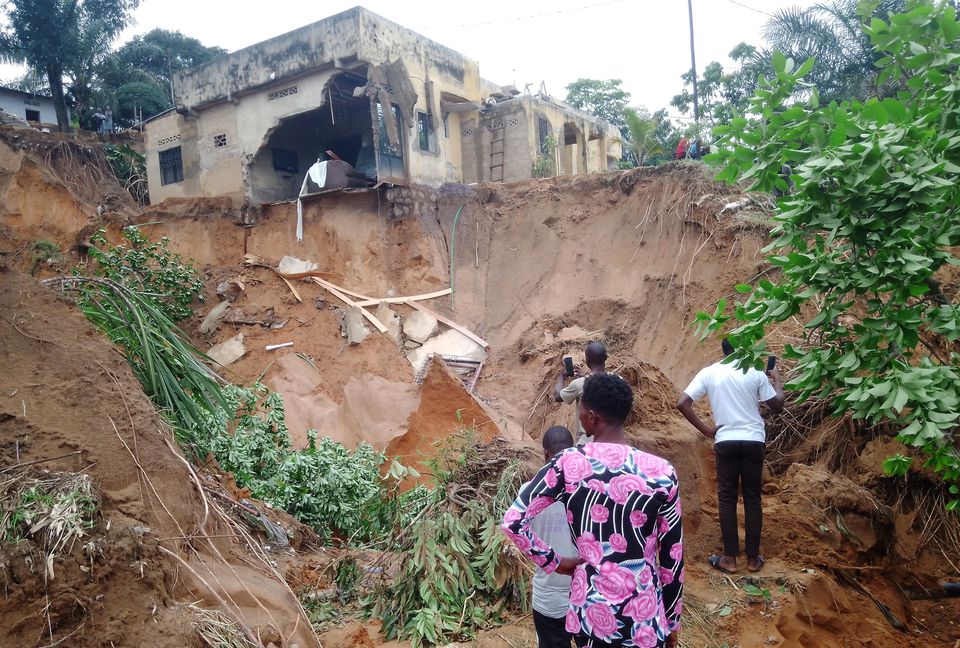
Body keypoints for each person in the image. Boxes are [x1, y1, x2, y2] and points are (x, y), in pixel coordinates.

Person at [503, 374, 684, 648]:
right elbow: (672, 557)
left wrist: (554, 562)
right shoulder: (661, 472)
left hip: (591, 615)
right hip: (644, 617)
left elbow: (514, 521)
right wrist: (671, 621)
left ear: (590, 416)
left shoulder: (568, 465)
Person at [675, 339, 784, 574]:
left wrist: (707, 430)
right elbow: (777, 406)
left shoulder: (710, 372)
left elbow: (682, 403)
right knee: (753, 498)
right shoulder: (754, 371)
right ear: (744, 348)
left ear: (724, 350)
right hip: (754, 439)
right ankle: (753, 560)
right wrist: (777, 380)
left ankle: (730, 559)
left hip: (726, 440)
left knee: (727, 498)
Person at [527, 426, 579, 648]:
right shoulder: (588, 490)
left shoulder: (529, 492)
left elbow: (514, 531)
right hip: (586, 590)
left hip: (548, 594)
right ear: (573, 452)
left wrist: (553, 561)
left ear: (545, 454)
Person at [555, 342, 609, 445]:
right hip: (611, 440)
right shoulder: (617, 380)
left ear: (587, 360)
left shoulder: (579, 384)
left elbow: (558, 396)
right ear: (605, 358)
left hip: (587, 442)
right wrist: (585, 377)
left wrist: (562, 376)